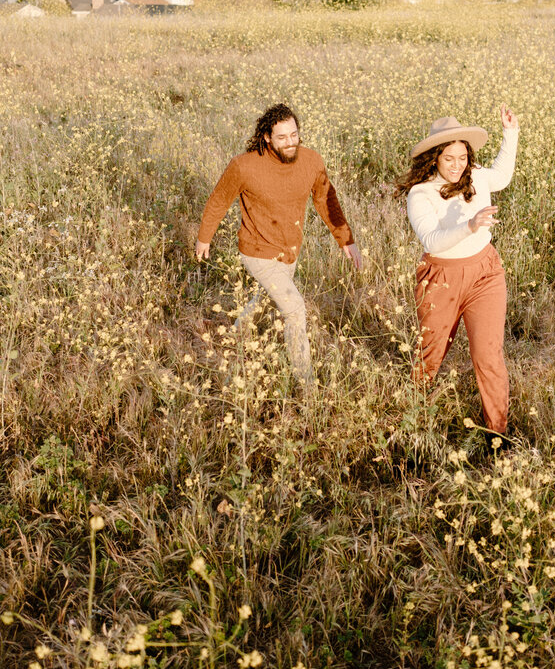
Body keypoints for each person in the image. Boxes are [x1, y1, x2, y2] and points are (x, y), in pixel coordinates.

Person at [195, 104, 362, 386]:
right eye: (282, 137)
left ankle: (234, 335)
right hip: (257, 252)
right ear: (267, 138)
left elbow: (326, 200)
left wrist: (346, 239)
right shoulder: (244, 165)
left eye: (294, 135)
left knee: (264, 299)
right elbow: (219, 201)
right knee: (295, 309)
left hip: (290, 250)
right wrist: (204, 238)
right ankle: (306, 383)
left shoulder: (311, 161)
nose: (290, 142)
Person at [395, 106, 519, 436]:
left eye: (462, 157)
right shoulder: (420, 193)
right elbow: (433, 240)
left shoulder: (476, 175)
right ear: (435, 157)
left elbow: (503, 176)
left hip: (485, 274)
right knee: (429, 358)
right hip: (441, 279)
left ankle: (499, 435)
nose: (457, 165)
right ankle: (413, 429)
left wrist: (511, 133)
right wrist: (470, 224)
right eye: (449, 158)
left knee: (488, 355)